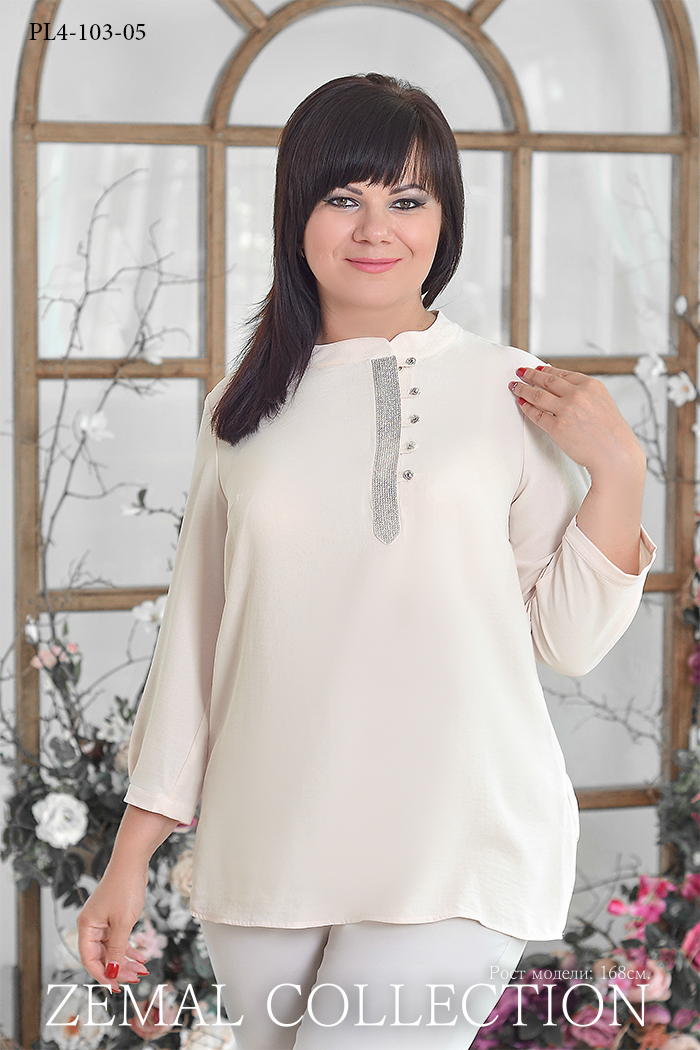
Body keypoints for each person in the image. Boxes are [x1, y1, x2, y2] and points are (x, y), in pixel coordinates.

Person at [78, 72, 657, 1049]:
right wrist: (128, 856)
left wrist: (621, 472)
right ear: (296, 214)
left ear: (445, 218)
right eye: (344, 197)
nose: (375, 228)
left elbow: (567, 638)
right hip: (268, 849)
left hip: (457, 841)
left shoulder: (510, 389)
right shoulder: (239, 408)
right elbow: (196, 639)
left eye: (408, 199)